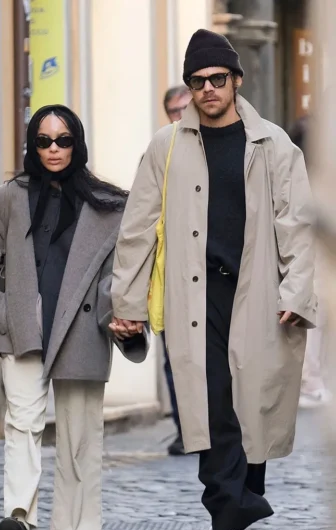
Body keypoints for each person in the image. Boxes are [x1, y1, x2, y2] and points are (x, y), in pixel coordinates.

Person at [110, 29, 316, 530]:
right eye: (198, 81)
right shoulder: (166, 146)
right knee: (213, 408)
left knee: (254, 408)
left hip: (259, 294)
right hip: (194, 297)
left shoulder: (274, 144)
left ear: (236, 80)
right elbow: (137, 228)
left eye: (217, 79)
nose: (208, 89)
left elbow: (297, 225)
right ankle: (225, 523)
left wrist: (297, 291)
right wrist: (126, 303)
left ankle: (240, 509)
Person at [0, 104, 147, 530]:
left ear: (77, 143)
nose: (54, 149)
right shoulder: (8, 200)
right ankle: (18, 517)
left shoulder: (107, 206)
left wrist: (118, 316)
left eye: (63, 140)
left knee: (80, 432)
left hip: (82, 326)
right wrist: (4, 314)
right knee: (22, 423)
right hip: (25, 327)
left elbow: (117, 274)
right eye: (44, 141)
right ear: (32, 146)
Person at [289, 115, 328, 408]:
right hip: (310, 260)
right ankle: (310, 382)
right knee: (314, 319)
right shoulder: (309, 178)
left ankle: (310, 381)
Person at [162, 85, 191, 455]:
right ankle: (185, 430)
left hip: (216, 274)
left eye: (187, 107)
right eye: (175, 110)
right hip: (171, 276)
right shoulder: (158, 153)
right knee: (174, 359)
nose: (182, 115)